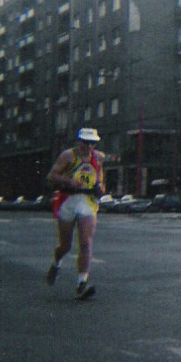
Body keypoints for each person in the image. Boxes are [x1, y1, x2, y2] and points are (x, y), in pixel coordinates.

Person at [45, 128, 106, 300]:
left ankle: (81, 283)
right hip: (68, 200)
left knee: (86, 242)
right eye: (86, 142)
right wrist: (68, 181)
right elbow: (51, 176)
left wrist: (100, 188)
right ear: (78, 141)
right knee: (65, 246)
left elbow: (100, 181)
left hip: (88, 202)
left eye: (92, 142)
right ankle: (56, 263)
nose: (89, 146)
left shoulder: (98, 158)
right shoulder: (68, 156)